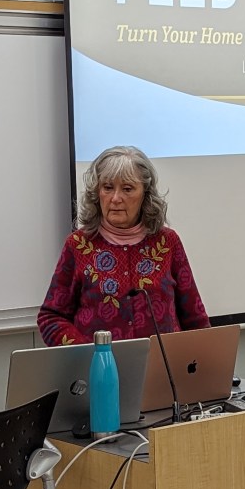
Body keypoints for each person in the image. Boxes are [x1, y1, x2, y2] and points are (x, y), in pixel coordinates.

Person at [38, 145, 209, 345]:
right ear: (97, 192)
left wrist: (205, 359)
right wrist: (89, 353)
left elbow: (195, 319)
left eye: (127, 189)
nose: (115, 198)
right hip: (98, 364)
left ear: (145, 194)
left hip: (164, 363)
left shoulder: (167, 242)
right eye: (108, 187)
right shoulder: (78, 245)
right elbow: (51, 318)